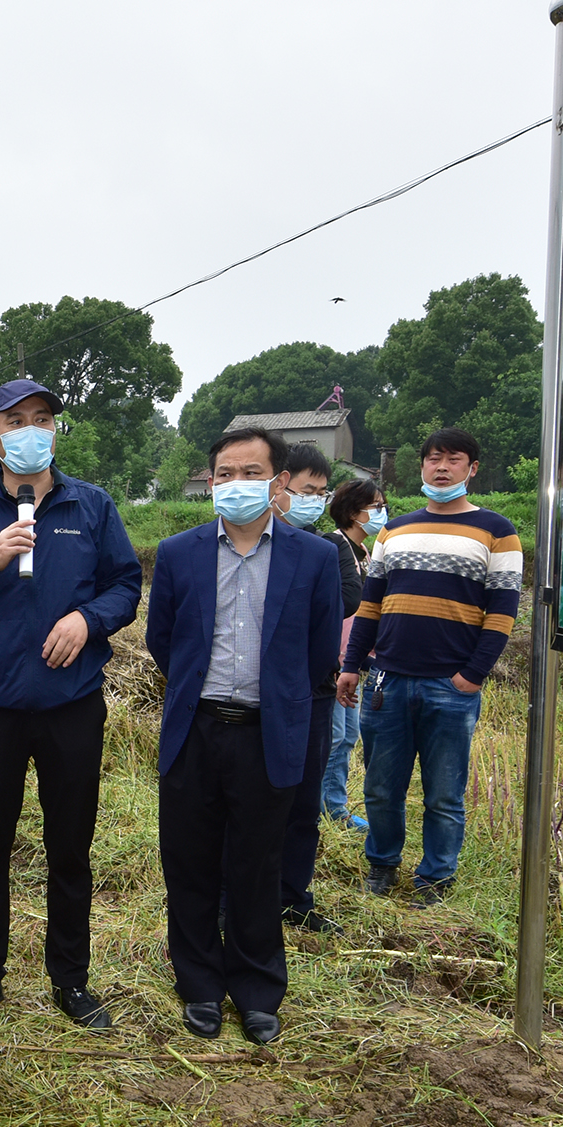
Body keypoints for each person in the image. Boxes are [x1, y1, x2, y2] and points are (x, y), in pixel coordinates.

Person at [0, 377, 141, 1029]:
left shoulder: (92, 508)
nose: (30, 431)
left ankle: (71, 980)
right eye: (15, 422)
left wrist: (87, 621)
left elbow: (125, 585)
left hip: (71, 706)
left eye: (42, 418)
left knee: (70, 846)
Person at [142, 427, 341, 1044]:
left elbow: (317, 655)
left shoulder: (315, 558)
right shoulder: (180, 553)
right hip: (196, 730)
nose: (235, 485)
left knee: (257, 864)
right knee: (191, 862)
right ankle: (199, 984)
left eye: (250, 473)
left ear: (278, 482)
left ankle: (257, 989)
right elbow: (162, 641)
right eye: (224, 474)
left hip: (268, 732)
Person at [340, 428, 520, 906]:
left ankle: (436, 878)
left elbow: (502, 613)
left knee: (444, 795)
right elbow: (370, 606)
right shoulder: (394, 530)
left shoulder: (497, 531)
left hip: (450, 686)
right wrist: (352, 664)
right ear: (421, 467)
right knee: (380, 788)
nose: (441, 467)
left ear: (471, 469)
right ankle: (382, 865)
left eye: (453, 459)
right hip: (386, 681)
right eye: (433, 459)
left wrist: (472, 675)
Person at [270, 445, 346, 935]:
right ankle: (232, 900)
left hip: (312, 695)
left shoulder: (327, 549)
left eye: (322, 493)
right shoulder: (250, 541)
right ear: (279, 487)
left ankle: (293, 898)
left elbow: (341, 609)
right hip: (255, 696)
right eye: (306, 491)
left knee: (302, 804)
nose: (315, 501)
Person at [317, 479, 384, 832]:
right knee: (335, 735)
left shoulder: (364, 553)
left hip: (355, 659)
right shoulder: (333, 546)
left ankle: (334, 805)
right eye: (375, 506)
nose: (380, 512)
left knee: (347, 735)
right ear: (353, 511)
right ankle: (325, 808)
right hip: (336, 658)